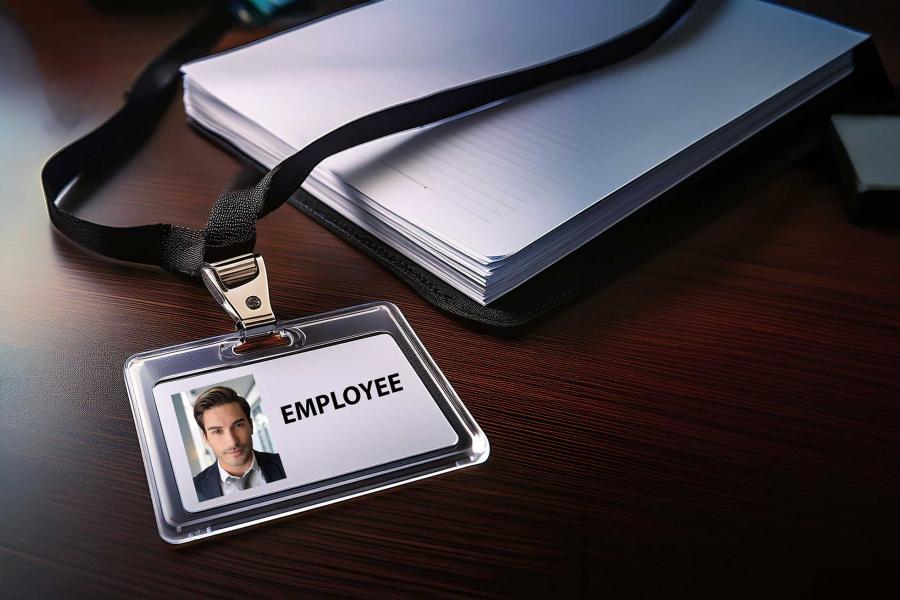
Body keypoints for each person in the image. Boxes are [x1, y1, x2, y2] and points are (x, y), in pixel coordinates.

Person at [191, 385, 286, 502]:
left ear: (251, 425)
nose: (232, 442)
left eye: (238, 425)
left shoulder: (286, 463)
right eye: (217, 431)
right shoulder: (193, 492)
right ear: (205, 438)